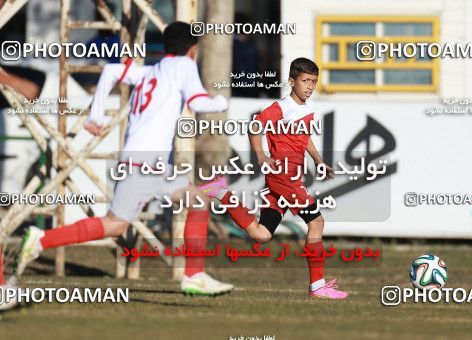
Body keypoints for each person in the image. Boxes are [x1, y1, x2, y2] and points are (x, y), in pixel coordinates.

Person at [15, 22, 233, 296]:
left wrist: (96, 115)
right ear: (193, 50)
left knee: (183, 205)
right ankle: (194, 276)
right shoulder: (184, 66)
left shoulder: (152, 70)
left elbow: (110, 70)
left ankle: (194, 275)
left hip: (141, 162)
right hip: (146, 164)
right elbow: (200, 103)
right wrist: (223, 103)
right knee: (123, 223)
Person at [200, 58, 348, 299]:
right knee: (317, 222)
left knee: (262, 234)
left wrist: (319, 161)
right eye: (305, 81)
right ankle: (317, 286)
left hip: (286, 176)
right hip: (284, 175)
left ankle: (221, 193)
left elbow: (304, 137)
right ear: (292, 81)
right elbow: (255, 126)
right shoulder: (283, 106)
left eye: (313, 82)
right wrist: (261, 156)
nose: (310, 86)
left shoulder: (306, 107)